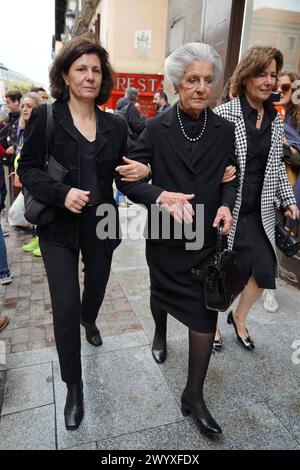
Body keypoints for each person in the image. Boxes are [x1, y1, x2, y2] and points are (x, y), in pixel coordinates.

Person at [18, 36, 149, 431]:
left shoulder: (115, 123)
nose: (90, 76)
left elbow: (130, 171)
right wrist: (63, 193)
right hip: (58, 226)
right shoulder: (46, 117)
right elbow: (27, 170)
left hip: (102, 222)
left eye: (96, 69)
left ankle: (90, 320)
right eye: (81, 69)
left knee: (95, 288)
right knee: (64, 307)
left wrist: (144, 173)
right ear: (65, 74)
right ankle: (73, 386)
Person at [117, 42, 238, 435]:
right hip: (166, 239)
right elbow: (128, 181)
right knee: (159, 295)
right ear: (176, 84)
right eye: (192, 80)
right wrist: (159, 195)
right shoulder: (154, 128)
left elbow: (231, 177)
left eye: (207, 80)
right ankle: (159, 330)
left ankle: (194, 395)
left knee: (204, 318)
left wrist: (225, 205)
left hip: (204, 240)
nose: (201, 88)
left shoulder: (224, 130)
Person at [214, 46, 299, 350]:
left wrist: (288, 200)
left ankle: (239, 316)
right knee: (227, 270)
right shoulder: (225, 114)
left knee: (264, 270)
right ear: (246, 76)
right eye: (262, 74)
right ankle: (212, 323)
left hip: (260, 208)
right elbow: (210, 164)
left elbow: (277, 165)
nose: (268, 81)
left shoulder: (275, 119)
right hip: (230, 207)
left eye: (273, 75)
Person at [261, 71, 300, 312]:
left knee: (274, 237)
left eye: (286, 88)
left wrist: (290, 151)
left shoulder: (295, 120)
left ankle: (269, 288)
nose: (280, 91)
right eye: (278, 86)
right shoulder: (264, 111)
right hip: (260, 184)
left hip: (286, 184)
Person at [14, 92, 43, 256]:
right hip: (25, 178)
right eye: (23, 106)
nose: (25, 109)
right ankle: (37, 238)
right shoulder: (24, 128)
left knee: (37, 208)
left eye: (29, 106)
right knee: (30, 207)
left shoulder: (39, 128)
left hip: (37, 178)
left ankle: (42, 241)